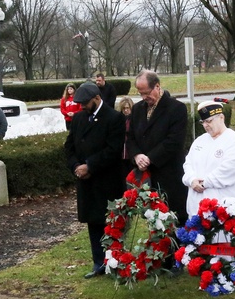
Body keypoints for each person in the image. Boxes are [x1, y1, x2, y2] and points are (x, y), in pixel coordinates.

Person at [64, 82, 126, 278]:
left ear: (97, 99)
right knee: (93, 223)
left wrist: (90, 165)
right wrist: (76, 166)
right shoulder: (79, 118)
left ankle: (114, 262)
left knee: (111, 224)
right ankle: (98, 262)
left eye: (85, 102)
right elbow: (69, 146)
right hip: (86, 182)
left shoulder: (114, 118)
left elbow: (113, 149)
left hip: (107, 181)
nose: (81, 106)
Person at [127, 70, 190, 226]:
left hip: (170, 175)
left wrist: (151, 158)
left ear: (157, 86)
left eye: (147, 93)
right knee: (154, 223)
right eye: (140, 93)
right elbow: (130, 137)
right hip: (148, 178)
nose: (144, 97)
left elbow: (174, 141)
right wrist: (136, 155)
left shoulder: (176, 108)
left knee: (174, 222)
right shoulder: (137, 109)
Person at [182, 101, 235, 218]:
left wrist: (205, 183)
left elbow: (230, 169)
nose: (205, 125)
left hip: (222, 206)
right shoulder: (200, 140)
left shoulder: (233, 139)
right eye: (203, 122)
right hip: (197, 205)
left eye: (209, 121)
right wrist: (191, 179)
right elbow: (188, 163)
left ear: (221, 118)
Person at [117, 96, 135, 182]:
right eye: (124, 108)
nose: (126, 110)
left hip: (131, 153)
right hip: (121, 154)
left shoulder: (134, 119)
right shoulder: (119, 119)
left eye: (127, 108)